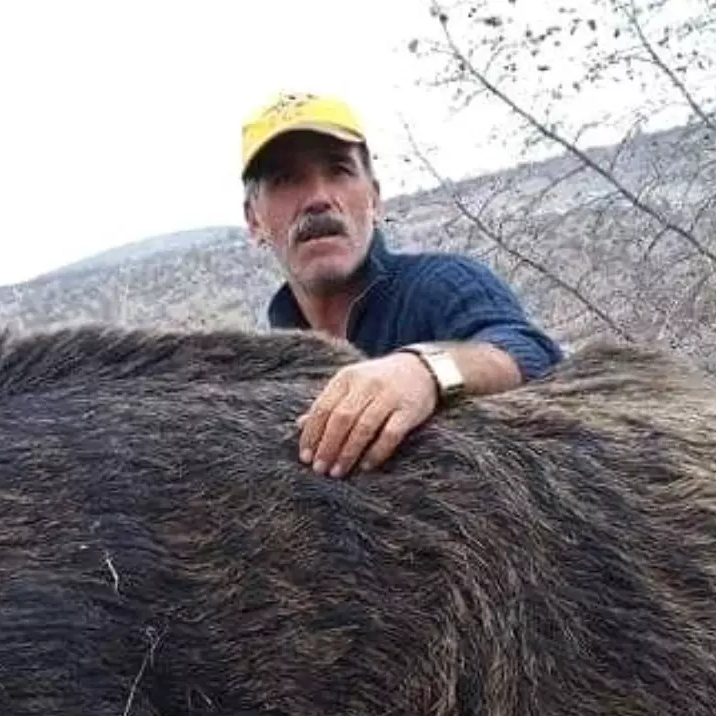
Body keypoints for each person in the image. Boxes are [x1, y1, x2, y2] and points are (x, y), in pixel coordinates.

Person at [241, 91, 564, 478]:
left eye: (339, 171)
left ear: (374, 200)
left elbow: (534, 352)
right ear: (254, 220)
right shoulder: (271, 360)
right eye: (286, 179)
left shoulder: (443, 285)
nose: (319, 198)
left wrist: (424, 372)